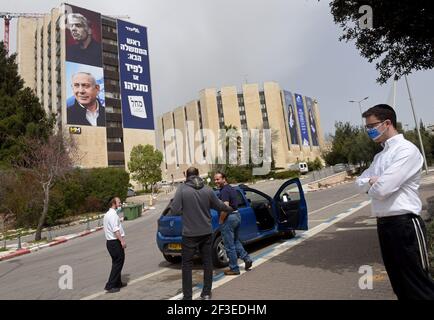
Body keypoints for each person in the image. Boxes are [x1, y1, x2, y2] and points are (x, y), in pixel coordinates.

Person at [355, 104, 434, 300]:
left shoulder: (407, 150)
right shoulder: (380, 156)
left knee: (418, 285)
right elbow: (358, 183)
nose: (369, 131)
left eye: (371, 126)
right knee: (399, 285)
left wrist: (375, 182)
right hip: (384, 224)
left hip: (405, 224)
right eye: (367, 127)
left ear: (387, 123)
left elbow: (382, 190)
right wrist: (372, 182)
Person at [170, 167, 234, 300]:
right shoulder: (208, 189)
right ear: (198, 175)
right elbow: (219, 206)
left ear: (186, 176)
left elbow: (175, 210)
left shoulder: (182, 189)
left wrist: (187, 212)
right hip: (206, 232)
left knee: (187, 265)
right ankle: (206, 293)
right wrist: (230, 208)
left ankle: (187, 296)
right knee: (207, 262)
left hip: (189, 234)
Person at [214, 172, 253, 275]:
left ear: (224, 179)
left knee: (229, 245)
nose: (216, 181)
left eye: (218, 179)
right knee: (235, 241)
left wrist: (221, 220)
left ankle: (234, 268)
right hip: (236, 216)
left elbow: (225, 208)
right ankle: (247, 258)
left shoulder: (224, 191)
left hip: (229, 218)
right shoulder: (231, 189)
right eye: (215, 179)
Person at [103, 197, 127, 293]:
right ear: (114, 203)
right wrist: (122, 241)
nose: (120, 204)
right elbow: (115, 230)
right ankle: (110, 285)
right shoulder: (112, 215)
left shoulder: (108, 214)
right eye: (119, 202)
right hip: (114, 242)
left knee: (116, 262)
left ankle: (118, 282)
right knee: (118, 263)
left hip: (110, 242)